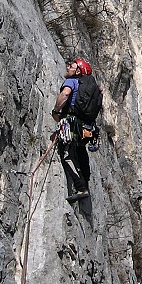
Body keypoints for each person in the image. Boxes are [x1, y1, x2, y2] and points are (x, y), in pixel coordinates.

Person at [51, 58, 100, 202]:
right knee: (80, 150)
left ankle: (80, 187)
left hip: (71, 123)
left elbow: (65, 94)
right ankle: (85, 179)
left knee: (66, 152)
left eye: (71, 66)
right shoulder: (90, 87)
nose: (67, 67)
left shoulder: (72, 81)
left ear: (77, 71)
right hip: (86, 127)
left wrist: (56, 111)